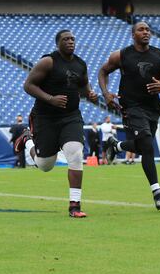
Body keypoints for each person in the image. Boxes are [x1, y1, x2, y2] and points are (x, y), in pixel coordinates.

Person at [14, 29, 98, 218]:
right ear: (57, 43)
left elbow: (84, 87)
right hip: (45, 118)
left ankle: (74, 206)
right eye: (65, 39)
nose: (70, 42)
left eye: (72, 39)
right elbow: (28, 85)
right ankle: (28, 140)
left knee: (75, 153)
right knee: (45, 165)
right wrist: (50, 99)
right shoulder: (48, 61)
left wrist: (90, 94)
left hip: (71, 116)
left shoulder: (80, 64)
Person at [100, 21, 160, 210]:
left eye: (148, 30)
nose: (146, 32)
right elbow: (103, 71)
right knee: (145, 142)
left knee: (145, 147)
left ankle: (116, 145)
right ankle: (158, 194)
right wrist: (106, 93)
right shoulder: (121, 55)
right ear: (133, 34)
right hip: (131, 106)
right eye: (141, 30)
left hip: (153, 108)